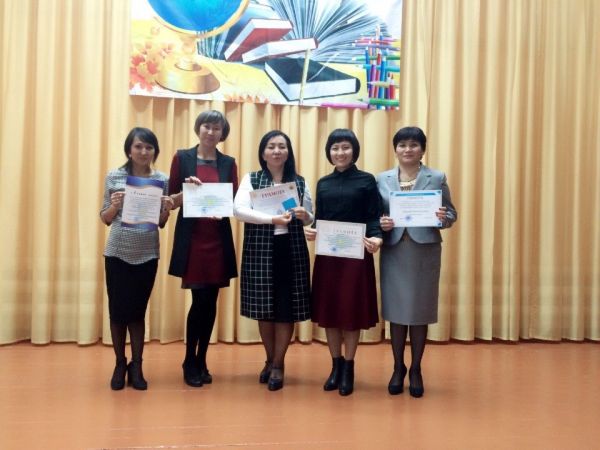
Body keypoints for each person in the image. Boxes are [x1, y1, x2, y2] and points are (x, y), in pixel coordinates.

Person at [377, 126, 457, 398]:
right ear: (395, 149)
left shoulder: (437, 177)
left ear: (422, 149)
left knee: (419, 312)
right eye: (402, 145)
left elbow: (451, 214)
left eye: (413, 144)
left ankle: (416, 369)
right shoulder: (382, 179)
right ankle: (398, 367)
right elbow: (375, 214)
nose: (407, 149)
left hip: (424, 252)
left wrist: (442, 217)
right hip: (394, 251)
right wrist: (381, 223)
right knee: (397, 312)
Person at [233, 130, 313, 391]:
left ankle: (278, 364)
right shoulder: (252, 179)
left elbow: (310, 216)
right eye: (271, 146)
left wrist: (305, 215)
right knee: (264, 308)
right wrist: (272, 219)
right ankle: (269, 359)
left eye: (281, 146)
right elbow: (239, 210)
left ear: (288, 152)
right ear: (263, 153)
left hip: (291, 250)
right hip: (260, 249)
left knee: (286, 308)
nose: (277, 151)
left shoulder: (299, 181)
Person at [305, 128, 383, 396]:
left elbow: (373, 215)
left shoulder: (366, 180)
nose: (340, 152)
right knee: (330, 313)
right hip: (329, 256)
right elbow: (320, 217)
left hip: (355, 256)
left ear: (354, 151)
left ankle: (349, 367)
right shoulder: (323, 183)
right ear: (329, 152)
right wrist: (313, 231)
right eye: (335, 148)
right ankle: (335, 366)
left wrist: (377, 238)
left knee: (351, 313)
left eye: (345, 147)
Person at [168, 110, 238, 388]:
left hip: (217, 239)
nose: (211, 132)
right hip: (193, 239)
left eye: (216, 128)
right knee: (199, 301)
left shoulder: (228, 162)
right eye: (207, 126)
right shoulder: (182, 158)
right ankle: (189, 360)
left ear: (223, 133)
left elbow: (233, 201)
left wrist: (226, 208)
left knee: (211, 302)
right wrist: (185, 191)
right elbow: (170, 201)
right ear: (198, 128)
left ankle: (202, 359)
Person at [100, 127, 172, 390]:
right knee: (118, 313)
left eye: (149, 147)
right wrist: (115, 205)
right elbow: (105, 218)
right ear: (129, 150)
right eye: (139, 146)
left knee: (138, 313)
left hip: (147, 254)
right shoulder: (115, 176)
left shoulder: (161, 179)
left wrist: (166, 210)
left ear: (155, 151)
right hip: (118, 253)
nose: (144, 151)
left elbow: (160, 223)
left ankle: (137, 365)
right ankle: (120, 363)